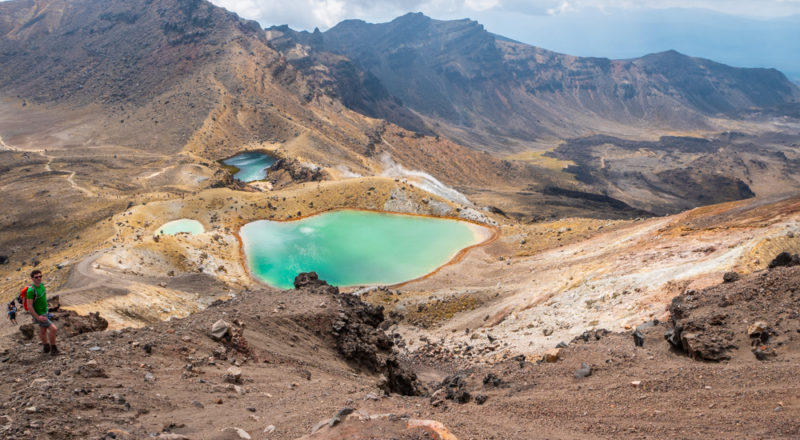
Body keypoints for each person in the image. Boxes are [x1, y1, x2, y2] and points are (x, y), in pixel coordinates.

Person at [26, 270, 58, 355]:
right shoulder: (30, 291)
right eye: (36, 277)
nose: (39, 278)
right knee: (54, 329)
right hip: (40, 314)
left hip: (45, 312)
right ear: (32, 278)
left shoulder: (42, 285)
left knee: (43, 330)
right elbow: (29, 306)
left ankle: (46, 347)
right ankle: (53, 349)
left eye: (40, 276)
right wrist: (37, 317)